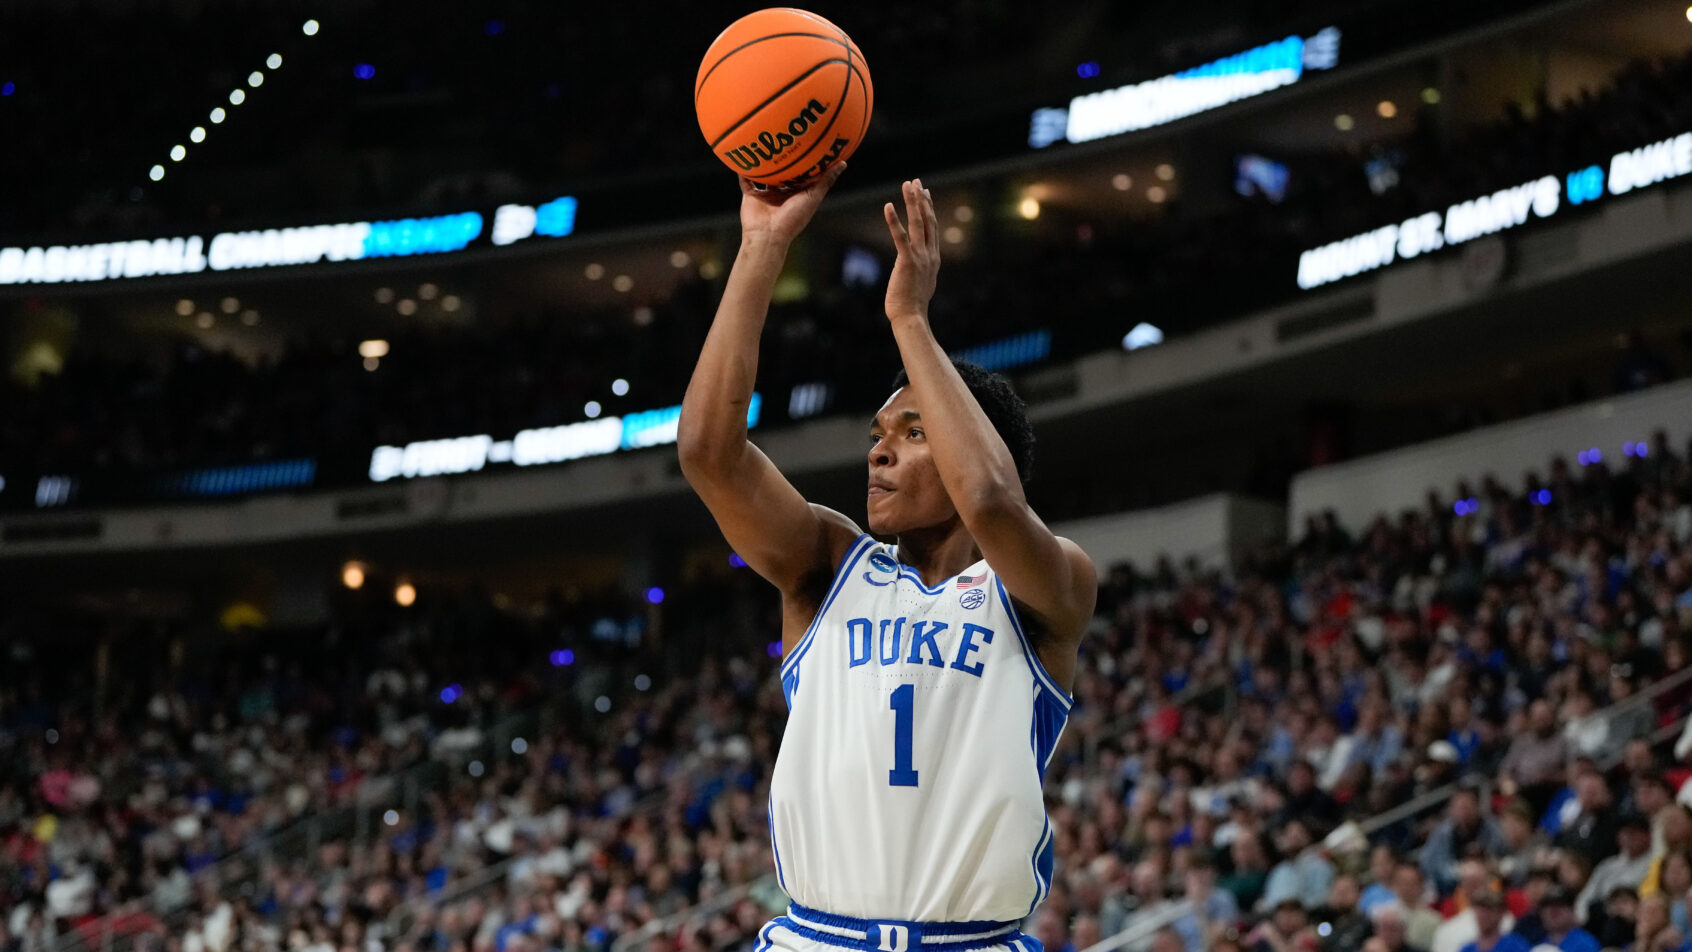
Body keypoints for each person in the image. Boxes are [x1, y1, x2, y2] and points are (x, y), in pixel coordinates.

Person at [677, 171, 1097, 952]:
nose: (878, 453)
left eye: (913, 433)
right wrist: (761, 249)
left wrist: (909, 320)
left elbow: (991, 502)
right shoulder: (829, 564)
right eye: (877, 435)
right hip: (816, 939)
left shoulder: (1048, 584)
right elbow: (708, 453)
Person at [1512, 885, 1599, 952]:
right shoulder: (1537, 943)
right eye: (1548, 905)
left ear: (1572, 910)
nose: (1554, 910)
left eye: (1561, 905)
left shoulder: (1585, 943)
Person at [1454, 888, 1527, 952]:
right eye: (1480, 911)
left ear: (1501, 913)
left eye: (1489, 911)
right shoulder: (1467, 949)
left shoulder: (1515, 946)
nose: (1483, 916)